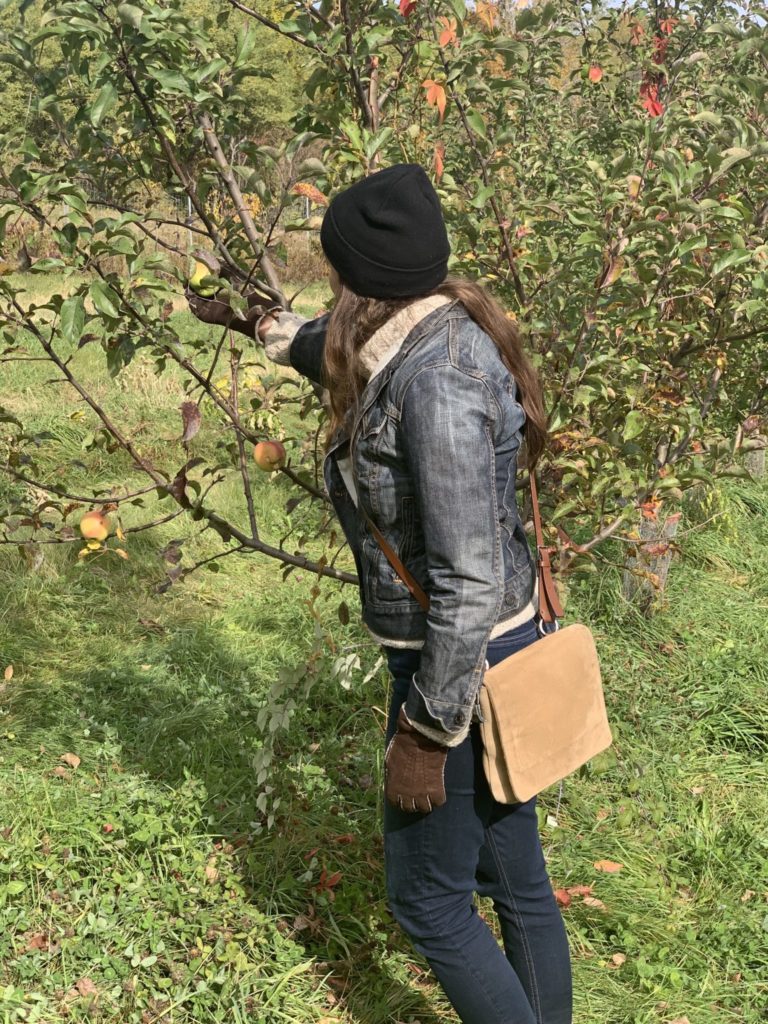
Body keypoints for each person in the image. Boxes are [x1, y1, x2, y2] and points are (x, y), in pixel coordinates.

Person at [187, 163, 572, 1024]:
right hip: (494, 653)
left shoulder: (435, 385)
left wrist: (429, 733)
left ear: (360, 274)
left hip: (461, 667)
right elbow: (330, 343)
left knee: (429, 904)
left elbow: (468, 582)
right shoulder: (432, 323)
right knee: (518, 883)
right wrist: (258, 321)